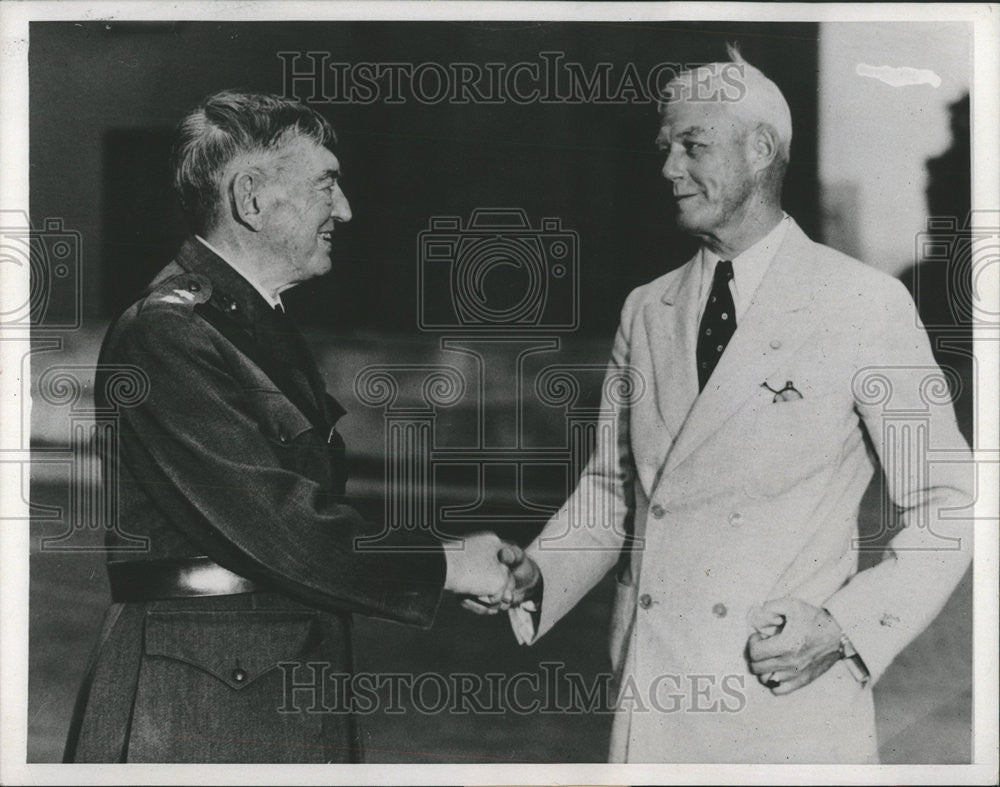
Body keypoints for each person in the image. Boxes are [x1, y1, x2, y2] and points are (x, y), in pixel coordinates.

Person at [471, 50, 975, 763]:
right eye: (665, 148)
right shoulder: (647, 309)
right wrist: (539, 571)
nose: (669, 168)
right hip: (655, 702)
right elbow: (613, 492)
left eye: (693, 145)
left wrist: (842, 627)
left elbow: (951, 501)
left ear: (761, 148)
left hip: (785, 704)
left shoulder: (861, 303)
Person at [64, 90, 514, 763]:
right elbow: (280, 524)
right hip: (198, 708)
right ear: (250, 198)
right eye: (327, 183)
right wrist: (445, 563)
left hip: (258, 687)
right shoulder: (168, 332)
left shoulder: (247, 322)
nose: (347, 209)